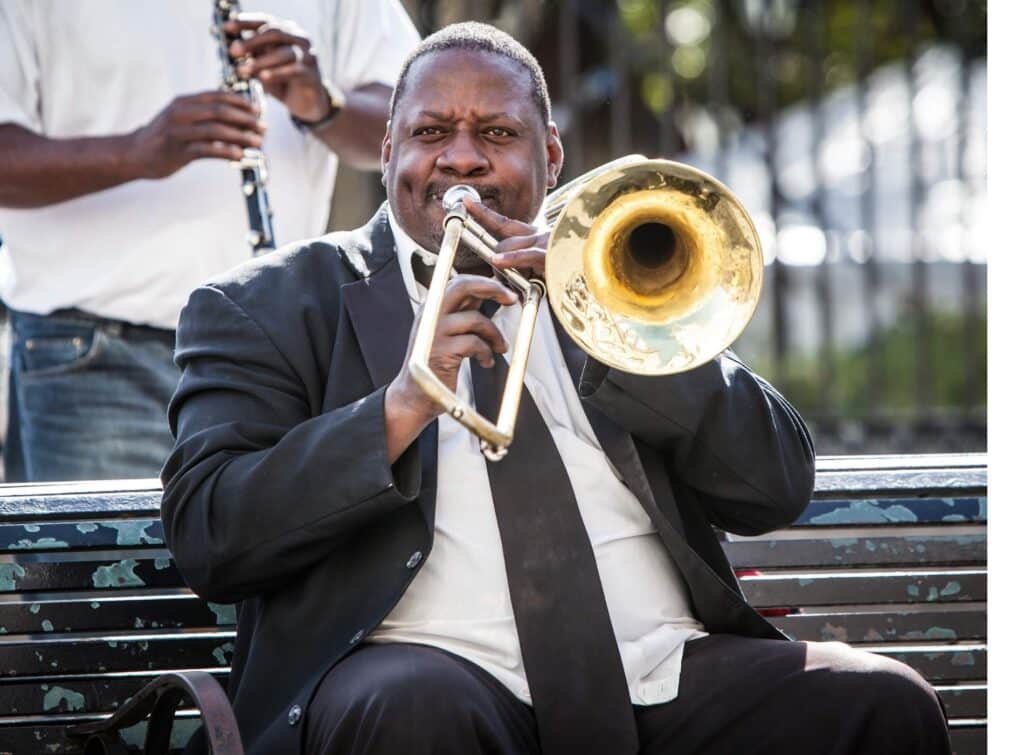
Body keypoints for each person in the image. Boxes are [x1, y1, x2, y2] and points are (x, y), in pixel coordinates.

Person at [161, 22, 951, 755]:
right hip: (425, 671)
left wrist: (624, 332)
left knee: (882, 701)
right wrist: (399, 405)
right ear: (390, 147)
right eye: (432, 132)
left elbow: (775, 486)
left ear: (552, 155)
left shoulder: (617, 287)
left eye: (497, 134)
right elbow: (210, 533)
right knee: (413, 705)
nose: (462, 159)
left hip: (660, 671)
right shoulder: (261, 305)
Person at [0, 0, 419, 481]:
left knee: (276, 552)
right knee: (109, 556)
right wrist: (136, 152)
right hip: (98, 356)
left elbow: (413, 126)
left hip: (278, 349)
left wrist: (325, 106)